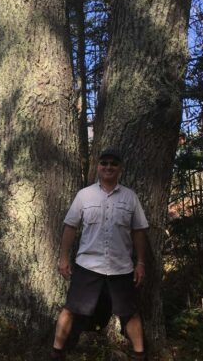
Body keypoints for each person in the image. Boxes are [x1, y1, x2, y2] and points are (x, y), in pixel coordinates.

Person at [51, 148, 149, 361]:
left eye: (113, 163)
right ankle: (56, 352)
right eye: (104, 163)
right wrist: (64, 257)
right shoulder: (84, 195)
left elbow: (139, 231)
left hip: (121, 267)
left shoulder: (130, 197)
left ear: (120, 168)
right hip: (87, 266)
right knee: (71, 309)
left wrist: (140, 263)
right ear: (98, 166)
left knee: (130, 312)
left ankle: (140, 354)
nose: (108, 167)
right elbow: (70, 227)